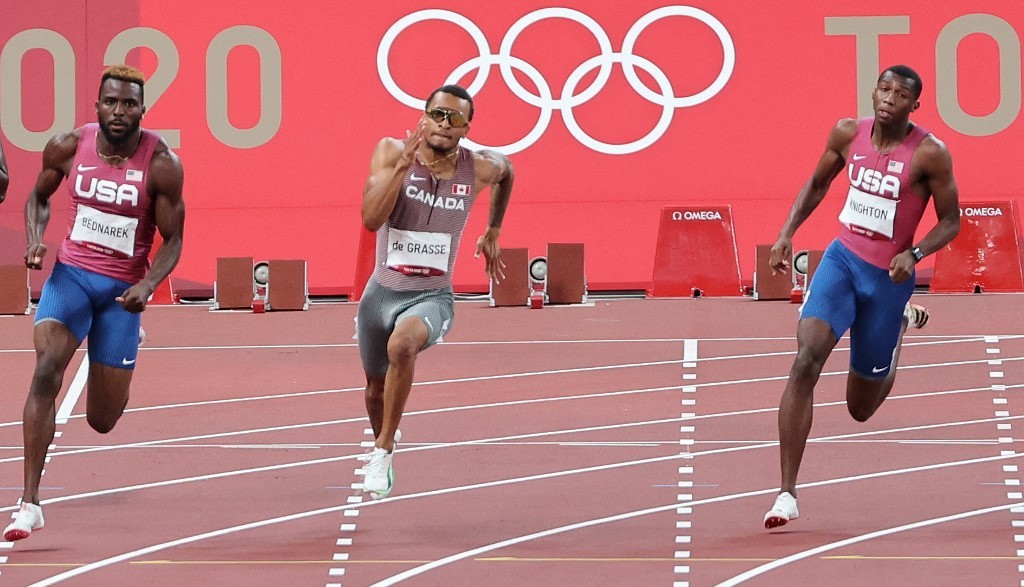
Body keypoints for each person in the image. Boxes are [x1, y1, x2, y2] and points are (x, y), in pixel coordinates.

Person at [763, 65, 960, 529]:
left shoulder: (930, 154)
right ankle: (786, 493)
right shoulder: (848, 132)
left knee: (860, 409)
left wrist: (915, 253)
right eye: (884, 88)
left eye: (901, 94)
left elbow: (952, 220)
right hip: (842, 263)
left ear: (915, 105)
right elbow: (817, 184)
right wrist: (786, 233)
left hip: (887, 282)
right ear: (873, 92)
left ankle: (897, 328)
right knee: (804, 361)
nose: (889, 98)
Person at [3, 65, 185, 541]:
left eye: (129, 104)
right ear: (97, 105)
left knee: (102, 421)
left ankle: (123, 341)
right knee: (47, 368)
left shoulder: (162, 163)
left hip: (120, 296)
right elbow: (37, 196)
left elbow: (173, 238)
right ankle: (28, 503)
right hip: (72, 279)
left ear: (142, 109)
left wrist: (148, 286)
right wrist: (36, 238)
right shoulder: (68, 146)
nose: (119, 111)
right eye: (111, 102)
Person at [357, 84, 514, 499]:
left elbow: (507, 170)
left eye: (456, 118)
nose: (445, 124)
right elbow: (372, 221)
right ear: (424, 117)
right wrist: (402, 168)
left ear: (467, 127)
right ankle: (385, 437)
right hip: (380, 294)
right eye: (438, 115)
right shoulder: (391, 152)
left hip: (432, 297)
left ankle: (383, 450)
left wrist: (493, 228)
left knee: (402, 347)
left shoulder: (477, 167)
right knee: (374, 388)